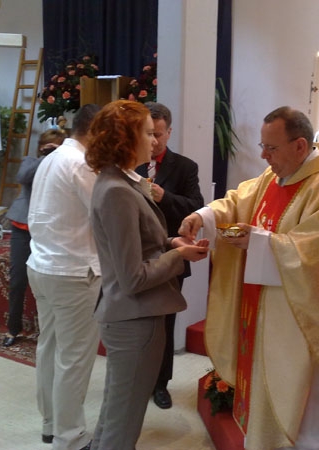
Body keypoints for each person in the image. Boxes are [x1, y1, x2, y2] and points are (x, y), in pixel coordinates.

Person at [179, 106, 319, 450]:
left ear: (299, 146)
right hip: (262, 303)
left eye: (271, 148)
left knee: (296, 383)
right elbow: (238, 201)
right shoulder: (275, 176)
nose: (264, 156)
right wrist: (203, 216)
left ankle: (307, 436)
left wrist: (259, 242)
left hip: (300, 311)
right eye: (262, 146)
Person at [85, 100, 209, 450]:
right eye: (147, 133)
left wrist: (170, 241)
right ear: (126, 139)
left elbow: (137, 242)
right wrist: (178, 255)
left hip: (132, 316)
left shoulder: (120, 181)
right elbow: (133, 277)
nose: (154, 141)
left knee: (116, 411)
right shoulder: (117, 191)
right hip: (134, 318)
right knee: (123, 424)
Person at [26, 104, 101, 450]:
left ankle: (51, 423)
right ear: (95, 132)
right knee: (74, 358)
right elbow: (104, 214)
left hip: (43, 264)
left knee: (50, 348)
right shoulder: (81, 164)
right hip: (72, 271)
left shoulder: (53, 157)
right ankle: (70, 438)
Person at [135, 101, 204, 409]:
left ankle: (161, 384)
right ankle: (138, 379)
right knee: (138, 321)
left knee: (165, 323)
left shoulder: (185, 167)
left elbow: (196, 206)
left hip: (172, 254)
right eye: (149, 133)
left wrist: (165, 197)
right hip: (136, 255)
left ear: (170, 132)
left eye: (159, 134)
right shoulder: (132, 164)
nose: (154, 140)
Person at [2, 128, 66, 347]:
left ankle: (49, 331)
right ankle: (13, 328)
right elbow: (23, 177)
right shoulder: (31, 161)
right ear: (41, 147)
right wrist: (46, 158)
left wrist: (57, 157)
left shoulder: (66, 165)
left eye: (57, 146)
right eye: (48, 146)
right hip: (23, 228)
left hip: (49, 228)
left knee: (50, 282)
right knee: (18, 280)